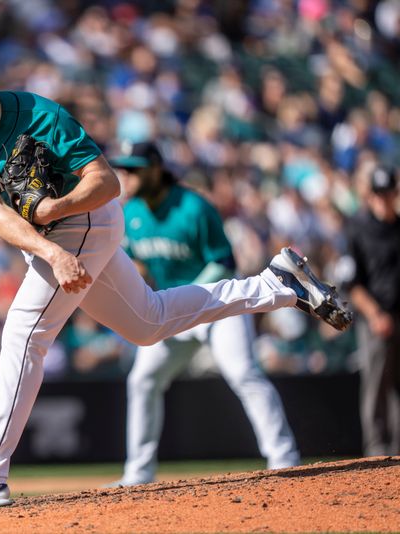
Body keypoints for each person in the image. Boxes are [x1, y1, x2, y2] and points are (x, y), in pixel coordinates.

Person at [0, 34, 351, 512]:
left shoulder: (38, 114)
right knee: (147, 323)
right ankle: (275, 285)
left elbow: (107, 182)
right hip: (48, 239)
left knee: (24, 333)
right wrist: (50, 251)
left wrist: (57, 207)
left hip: (88, 217)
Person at [108, 141, 300, 486]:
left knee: (244, 373)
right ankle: (138, 472)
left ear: (155, 169)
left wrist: (190, 298)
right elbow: (135, 263)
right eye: (123, 169)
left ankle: (283, 457)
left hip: (217, 305)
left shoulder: (193, 206)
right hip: (170, 310)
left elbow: (225, 263)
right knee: (142, 381)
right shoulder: (131, 213)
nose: (127, 176)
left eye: (134, 169)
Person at [344, 166, 400, 456]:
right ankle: (377, 450)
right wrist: (376, 315)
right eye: (379, 194)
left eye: (388, 193)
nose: (383, 200)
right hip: (375, 318)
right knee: (376, 383)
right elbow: (352, 282)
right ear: (370, 196)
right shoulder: (358, 228)